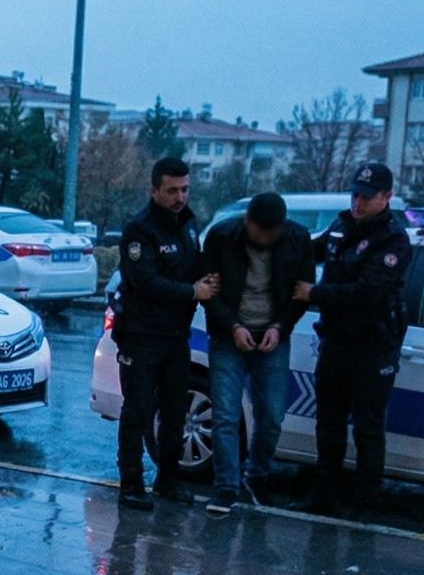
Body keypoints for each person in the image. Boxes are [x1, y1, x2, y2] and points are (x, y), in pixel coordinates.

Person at [296, 163, 412, 514]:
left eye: (365, 197)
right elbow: (311, 249)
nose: (357, 203)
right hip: (336, 343)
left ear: (386, 197)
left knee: (367, 429)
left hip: (371, 347)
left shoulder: (393, 239)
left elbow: (367, 293)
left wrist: (314, 294)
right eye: (354, 195)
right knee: (328, 426)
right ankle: (323, 498)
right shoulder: (342, 224)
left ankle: (364, 504)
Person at [199, 192, 314, 516]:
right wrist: (233, 326)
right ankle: (226, 486)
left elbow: (302, 294)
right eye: (260, 232)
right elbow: (208, 293)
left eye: (271, 233)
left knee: (273, 415)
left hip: (273, 337)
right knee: (224, 414)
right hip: (227, 337)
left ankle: (257, 476)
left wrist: (280, 327)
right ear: (247, 222)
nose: (265, 239)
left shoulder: (296, 239)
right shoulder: (222, 236)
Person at [115, 157, 217, 510]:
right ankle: (131, 484)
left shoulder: (187, 224)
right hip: (142, 334)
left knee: (176, 410)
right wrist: (192, 292)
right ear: (154, 190)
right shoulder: (139, 230)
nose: (180, 197)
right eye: (172, 190)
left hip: (176, 335)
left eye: (185, 189)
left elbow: (194, 264)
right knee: (137, 411)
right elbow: (145, 282)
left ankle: (168, 479)